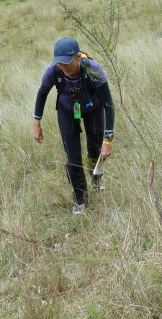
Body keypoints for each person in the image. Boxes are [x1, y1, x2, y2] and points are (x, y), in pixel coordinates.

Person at [33, 37, 115, 215]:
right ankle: (80, 197)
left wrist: (107, 140)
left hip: (93, 109)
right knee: (73, 157)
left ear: (78, 57)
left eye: (66, 63)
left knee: (95, 148)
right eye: (59, 63)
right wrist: (36, 122)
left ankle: (96, 177)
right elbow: (42, 94)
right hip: (67, 111)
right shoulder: (54, 71)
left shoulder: (93, 70)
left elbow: (108, 104)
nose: (62, 67)